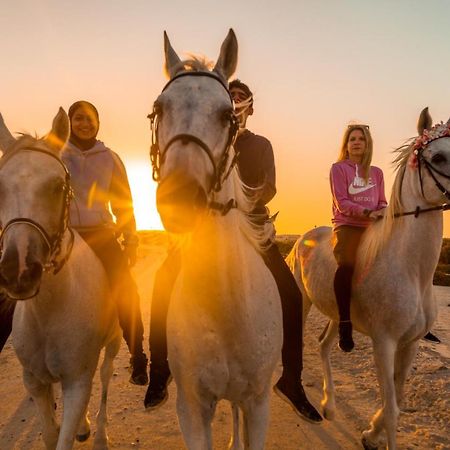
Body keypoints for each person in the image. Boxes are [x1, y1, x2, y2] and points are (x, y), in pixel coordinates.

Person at [144, 80, 322, 423]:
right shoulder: (208, 136)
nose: (237, 101)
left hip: (253, 227)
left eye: (242, 98)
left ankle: (292, 380)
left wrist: (242, 203)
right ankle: (160, 367)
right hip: (204, 229)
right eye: (231, 97)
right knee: (164, 279)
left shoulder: (260, 145)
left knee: (289, 292)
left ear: (250, 108)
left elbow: (269, 186)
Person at [60, 100, 148, 385]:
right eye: (78, 118)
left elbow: (124, 205)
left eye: (90, 119)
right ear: (69, 122)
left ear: (98, 123)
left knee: (126, 290)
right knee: (22, 284)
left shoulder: (110, 158)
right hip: (64, 235)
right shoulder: (56, 154)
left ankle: (138, 354)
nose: (85, 124)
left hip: (100, 234)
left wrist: (131, 239)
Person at [330, 124, 387, 353]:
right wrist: (366, 213)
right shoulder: (338, 169)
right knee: (347, 265)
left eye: (360, 139)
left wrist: (383, 210)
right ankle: (345, 322)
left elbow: (382, 200)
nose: (356, 142)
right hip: (348, 226)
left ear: (367, 144)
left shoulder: (377, 172)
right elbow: (341, 202)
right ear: (346, 144)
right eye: (352, 139)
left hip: (374, 226)